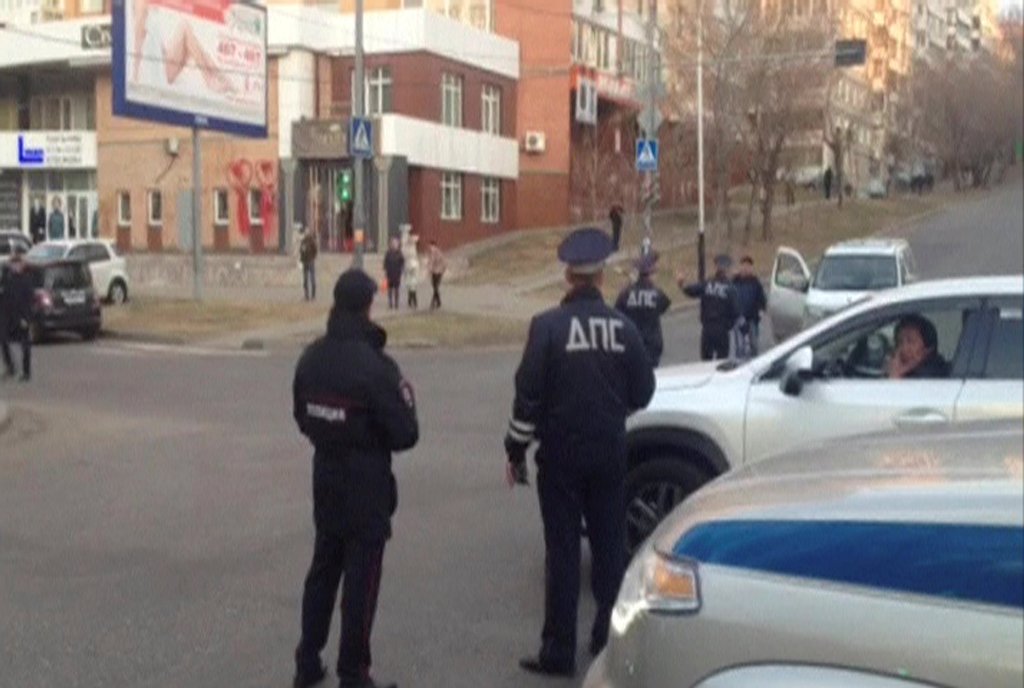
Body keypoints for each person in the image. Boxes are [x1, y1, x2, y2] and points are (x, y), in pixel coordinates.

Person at [505, 227, 656, 679]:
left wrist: (515, 450)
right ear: (602, 277)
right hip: (609, 451)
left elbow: (526, 398)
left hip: (561, 456)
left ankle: (558, 650)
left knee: (563, 551)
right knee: (610, 547)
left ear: (568, 276)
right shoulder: (624, 328)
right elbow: (644, 392)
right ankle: (605, 637)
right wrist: (613, 408)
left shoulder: (547, 327)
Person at [292, 269, 419, 688]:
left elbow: (302, 416)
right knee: (361, 584)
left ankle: (307, 661)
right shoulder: (376, 367)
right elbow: (405, 433)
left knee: (323, 572)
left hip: (326, 479)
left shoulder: (312, 357)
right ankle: (354, 674)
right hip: (366, 487)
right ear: (367, 306)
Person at [677, 254, 741, 362]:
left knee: (706, 362)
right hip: (722, 329)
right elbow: (736, 311)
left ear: (716, 267)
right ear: (727, 269)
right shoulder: (730, 288)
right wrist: (730, 325)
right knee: (722, 362)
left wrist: (681, 284)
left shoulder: (707, 284)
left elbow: (691, 291)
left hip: (708, 328)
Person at [614, 251, 672, 367]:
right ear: (650, 274)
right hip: (652, 343)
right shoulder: (657, 293)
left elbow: (618, 311)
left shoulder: (626, 293)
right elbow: (665, 305)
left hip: (632, 342)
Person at [1, 247, 34, 382]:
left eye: (17, 263)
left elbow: (29, 300)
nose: (15, 266)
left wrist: (26, 318)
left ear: (22, 264)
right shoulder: (8, 278)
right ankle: (10, 367)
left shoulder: (26, 280)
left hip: (21, 316)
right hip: (7, 316)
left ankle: (26, 372)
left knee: (25, 345)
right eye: (13, 263)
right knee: (3, 341)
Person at [887, 314, 949, 379]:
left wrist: (895, 375)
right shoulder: (913, 370)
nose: (904, 348)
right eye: (900, 342)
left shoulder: (930, 375)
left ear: (928, 348)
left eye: (911, 341)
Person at [732, 256, 767, 359]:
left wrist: (761, 310)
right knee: (740, 347)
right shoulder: (735, 281)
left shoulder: (755, 282)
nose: (746, 268)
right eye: (744, 265)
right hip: (739, 318)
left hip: (752, 318)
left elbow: (762, 299)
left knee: (754, 344)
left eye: (748, 266)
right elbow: (730, 298)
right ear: (740, 267)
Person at [383, 237, 405, 311]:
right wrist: (385, 270)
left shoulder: (400, 253)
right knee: (389, 289)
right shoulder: (388, 253)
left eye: (395, 243)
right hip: (389, 273)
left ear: (398, 245)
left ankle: (396, 304)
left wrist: (401, 271)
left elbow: (402, 263)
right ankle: (390, 303)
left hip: (397, 274)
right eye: (392, 243)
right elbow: (385, 262)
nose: (394, 245)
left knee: (396, 289)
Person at [298, 228, 318, 301]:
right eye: (305, 233)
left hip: (310, 261)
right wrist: (301, 259)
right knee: (305, 279)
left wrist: (313, 257)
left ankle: (313, 295)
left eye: (307, 233)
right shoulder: (303, 241)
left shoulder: (311, 241)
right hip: (305, 262)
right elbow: (301, 250)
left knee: (312, 278)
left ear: (309, 233)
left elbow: (315, 250)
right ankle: (306, 295)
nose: (306, 234)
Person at [402, 232, 420, 310]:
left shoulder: (413, 247)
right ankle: (410, 300)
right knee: (409, 285)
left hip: (413, 267)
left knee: (413, 285)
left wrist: (411, 239)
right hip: (408, 267)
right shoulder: (405, 248)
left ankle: (414, 301)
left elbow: (416, 238)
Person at [427, 241, 446, 310]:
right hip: (433, 272)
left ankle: (433, 302)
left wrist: (442, 270)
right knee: (434, 287)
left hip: (438, 272)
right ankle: (438, 302)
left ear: (434, 246)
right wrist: (429, 270)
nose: (431, 248)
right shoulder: (430, 254)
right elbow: (430, 263)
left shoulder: (438, 253)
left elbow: (443, 262)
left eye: (432, 247)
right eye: (430, 247)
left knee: (436, 287)